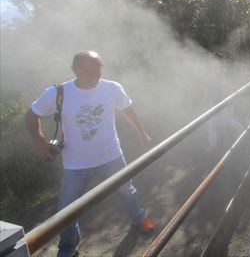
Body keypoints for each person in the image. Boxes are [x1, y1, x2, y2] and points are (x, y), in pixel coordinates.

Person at [25, 51, 155, 257]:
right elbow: (32, 114)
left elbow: (128, 110)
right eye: (88, 68)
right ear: (74, 70)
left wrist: (142, 133)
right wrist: (39, 141)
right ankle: (67, 249)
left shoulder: (112, 88)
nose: (95, 73)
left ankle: (138, 218)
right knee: (67, 210)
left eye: (98, 67)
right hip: (75, 164)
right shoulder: (58, 93)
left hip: (111, 156)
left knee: (127, 190)